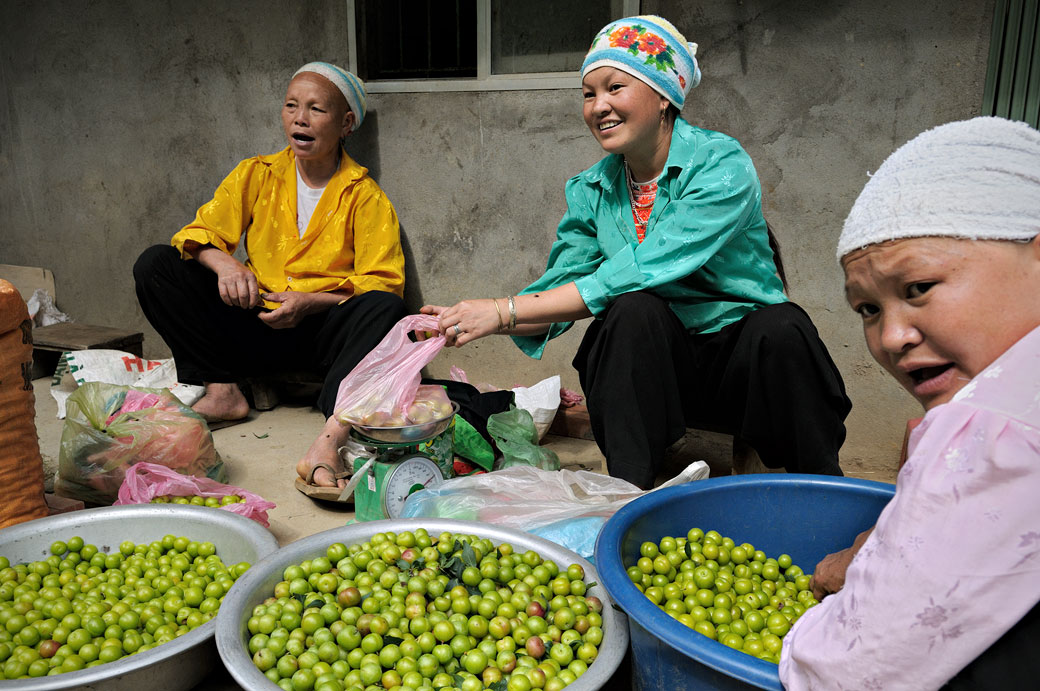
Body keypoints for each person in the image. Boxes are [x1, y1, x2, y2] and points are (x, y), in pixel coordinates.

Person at [422, 16, 851, 489]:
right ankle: (629, 498)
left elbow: (644, 267)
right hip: (657, 376)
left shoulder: (721, 164)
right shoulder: (592, 188)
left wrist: (503, 312)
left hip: (744, 374)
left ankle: (824, 491)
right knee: (630, 314)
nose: (598, 106)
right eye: (588, 94)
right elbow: (561, 290)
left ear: (664, 95)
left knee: (781, 326)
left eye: (614, 88)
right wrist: (465, 321)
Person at [780, 116, 1040, 690]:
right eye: (868, 310)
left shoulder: (995, 425)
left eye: (918, 288)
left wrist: (807, 634)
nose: (891, 337)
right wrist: (882, 544)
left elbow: (849, 671)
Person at [134, 62, 407, 489]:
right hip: (254, 321)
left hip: (320, 336)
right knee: (157, 264)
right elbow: (197, 234)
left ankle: (333, 424)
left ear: (346, 123)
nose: (300, 118)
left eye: (316, 109)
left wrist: (311, 302)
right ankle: (224, 391)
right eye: (291, 106)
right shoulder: (256, 174)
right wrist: (225, 263)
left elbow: (382, 284)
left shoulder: (365, 196)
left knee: (387, 308)